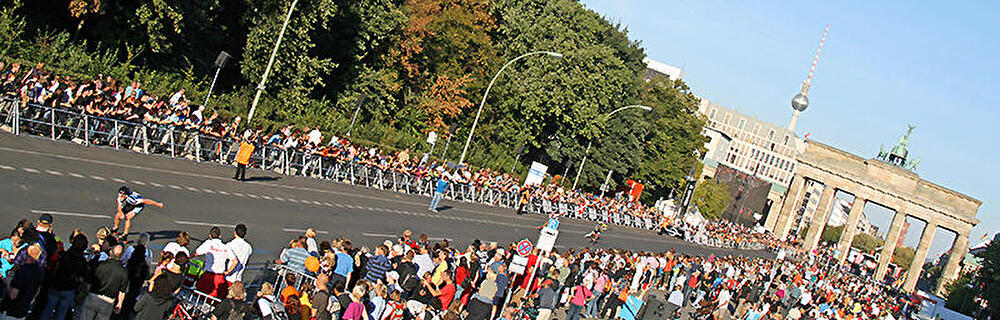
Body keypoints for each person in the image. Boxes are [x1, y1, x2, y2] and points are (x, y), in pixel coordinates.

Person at [39, 234, 89, 320]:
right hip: (69, 289)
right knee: (61, 313)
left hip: (56, 285)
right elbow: (84, 276)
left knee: (47, 310)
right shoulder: (82, 261)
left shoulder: (64, 255)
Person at [78, 245, 128, 320]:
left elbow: (89, 281)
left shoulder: (100, 265)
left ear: (110, 253)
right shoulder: (124, 272)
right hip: (108, 302)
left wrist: (82, 294)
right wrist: (119, 304)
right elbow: (122, 291)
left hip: (93, 296)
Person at [135, 252, 187, 320]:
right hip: (163, 303)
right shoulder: (181, 278)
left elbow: (150, 281)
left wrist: (151, 287)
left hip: (150, 300)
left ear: (174, 259)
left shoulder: (163, 272)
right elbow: (176, 292)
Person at [1, 244, 44, 320]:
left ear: (27, 253)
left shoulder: (21, 272)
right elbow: (38, 290)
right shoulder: (40, 272)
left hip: (10, 310)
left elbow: (12, 295)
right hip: (23, 310)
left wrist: (7, 282)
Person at [195, 226, 235, 298]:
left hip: (208, 275)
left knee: (200, 295)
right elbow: (235, 261)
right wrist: (228, 271)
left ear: (210, 236)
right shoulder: (225, 247)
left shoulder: (208, 243)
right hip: (219, 277)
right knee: (216, 298)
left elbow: (197, 253)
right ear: (220, 236)